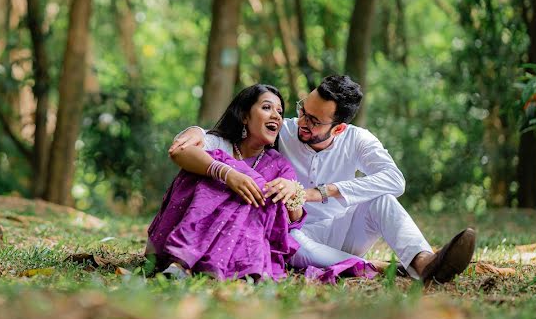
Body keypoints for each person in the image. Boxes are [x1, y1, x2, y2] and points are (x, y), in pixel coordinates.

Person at [170, 75, 476, 286]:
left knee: (382, 199)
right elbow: (229, 140)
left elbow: (395, 180)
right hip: (292, 234)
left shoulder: (358, 140)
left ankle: (424, 263)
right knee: (294, 243)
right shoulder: (283, 131)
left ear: (339, 128)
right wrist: (197, 131)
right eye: (304, 110)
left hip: (341, 230)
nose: (302, 122)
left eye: (314, 121)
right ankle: (386, 270)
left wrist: (321, 192)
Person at [147, 83, 374, 282]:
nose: (276, 116)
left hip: (240, 247)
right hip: (185, 233)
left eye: (280, 111)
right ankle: (180, 259)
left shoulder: (279, 166)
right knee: (207, 172)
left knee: (258, 194)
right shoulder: (220, 144)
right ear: (245, 116)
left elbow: (292, 221)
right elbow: (181, 151)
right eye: (267, 108)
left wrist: (292, 193)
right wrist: (228, 174)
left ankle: (206, 263)